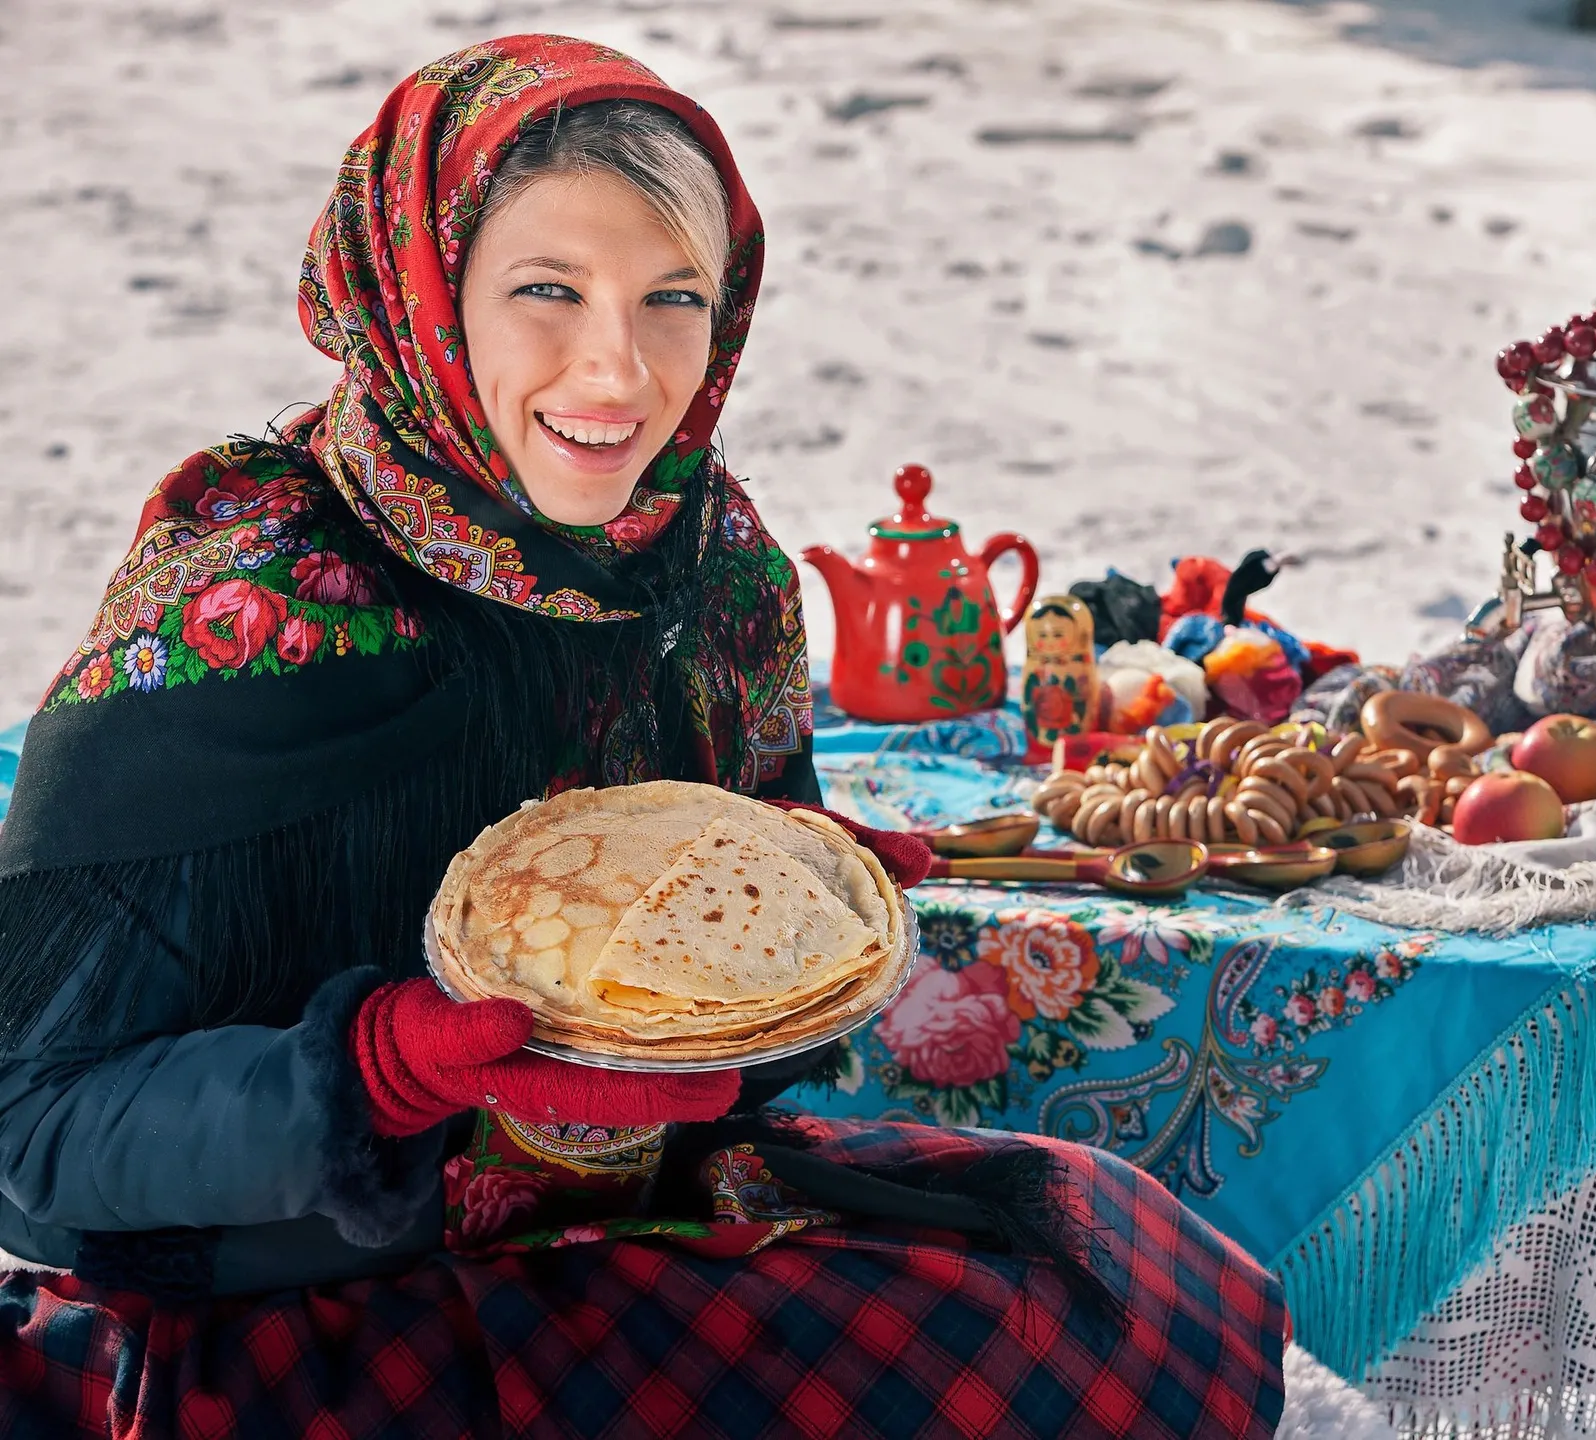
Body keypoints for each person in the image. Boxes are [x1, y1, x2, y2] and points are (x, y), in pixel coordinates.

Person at [0, 35, 1288, 1438]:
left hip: (624, 1227)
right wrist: (372, 1071)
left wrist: (788, 936)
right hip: (293, 1301)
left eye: (674, 296)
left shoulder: (708, 570)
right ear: (420, 299)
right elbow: (31, 1135)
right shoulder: (250, 609)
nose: (618, 369)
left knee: (1103, 1277)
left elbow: (720, 1061)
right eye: (546, 290)